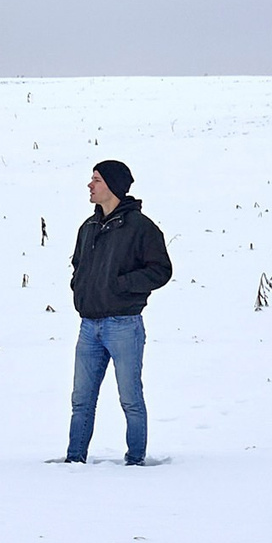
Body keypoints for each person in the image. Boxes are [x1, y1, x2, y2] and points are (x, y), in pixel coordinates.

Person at [65, 160, 171, 464]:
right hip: (89, 327)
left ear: (112, 185)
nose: (90, 185)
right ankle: (74, 461)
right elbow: (78, 265)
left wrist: (121, 285)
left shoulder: (141, 228)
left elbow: (161, 270)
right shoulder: (88, 227)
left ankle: (136, 461)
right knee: (81, 401)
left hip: (124, 325)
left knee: (130, 400)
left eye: (96, 179)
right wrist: (80, 285)